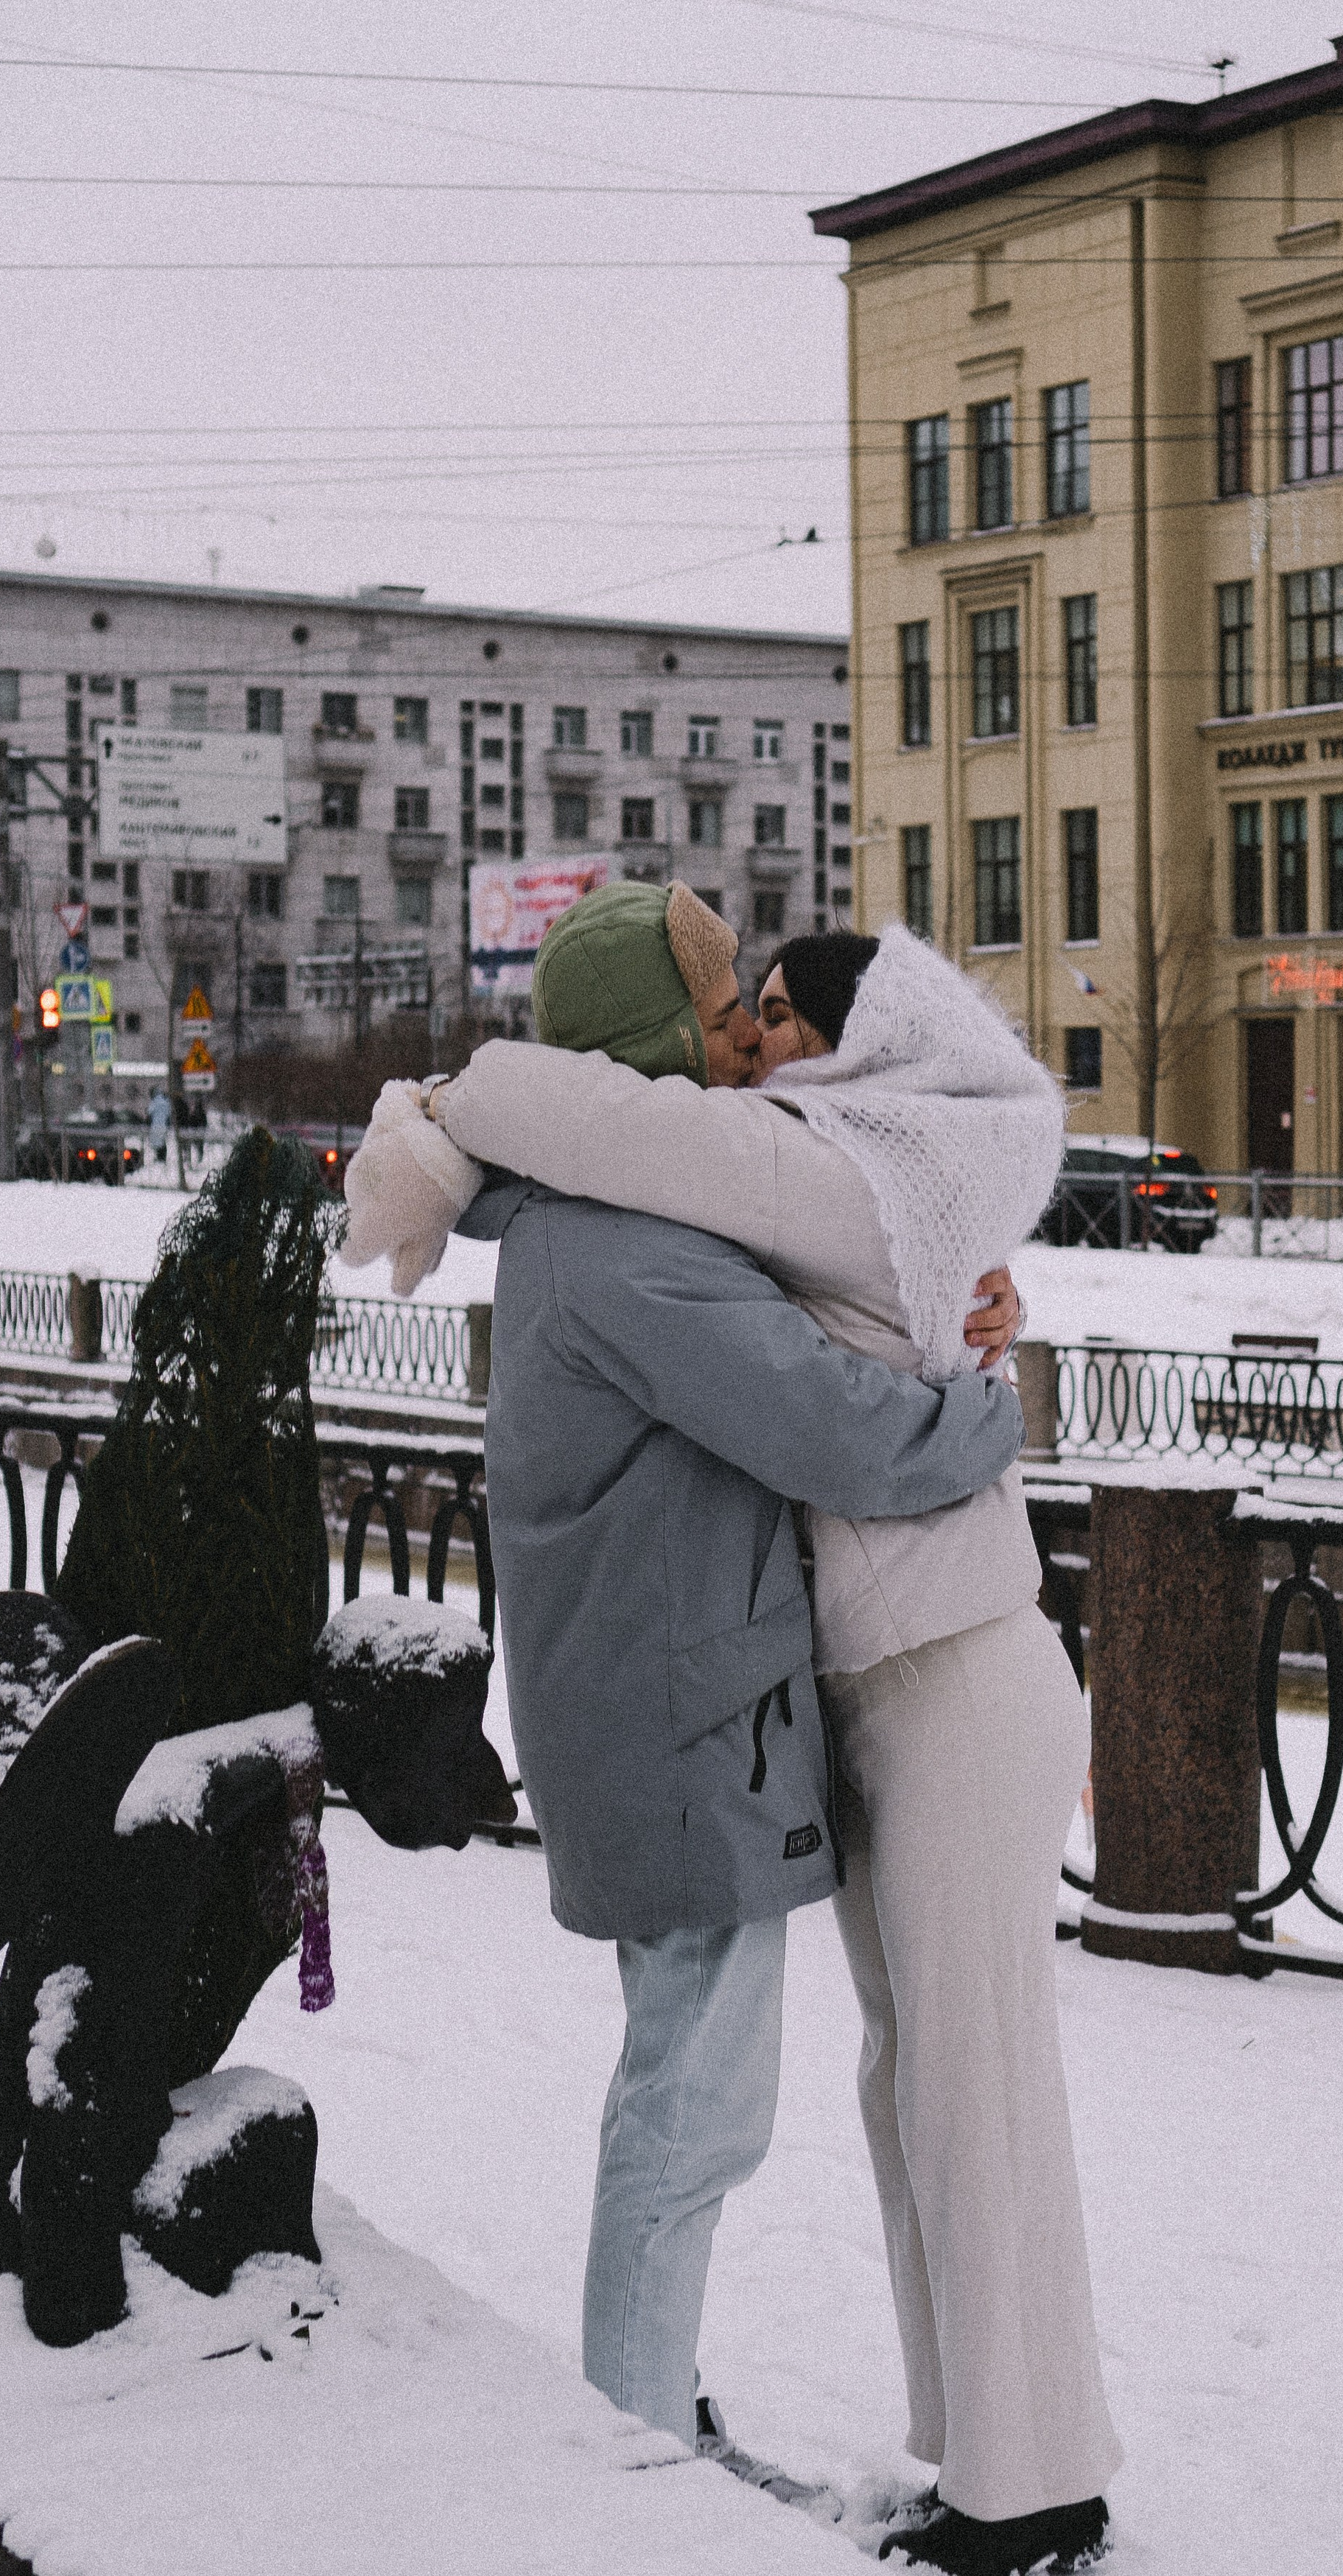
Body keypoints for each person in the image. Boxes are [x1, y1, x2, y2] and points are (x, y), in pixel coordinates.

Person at [348, 892, 1121, 2576]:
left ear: (857, 1050)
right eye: (730, 1004)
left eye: (773, 1012)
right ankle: (981, 2457)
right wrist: (986, 1346)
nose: (747, 1036)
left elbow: (569, 1111)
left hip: (949, 1670)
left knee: (956, 2087)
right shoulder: (763, 1183)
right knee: (902, 2081)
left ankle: (1031, 2490)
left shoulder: (811, 1165)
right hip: (866, 1686)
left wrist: (439, 1118)